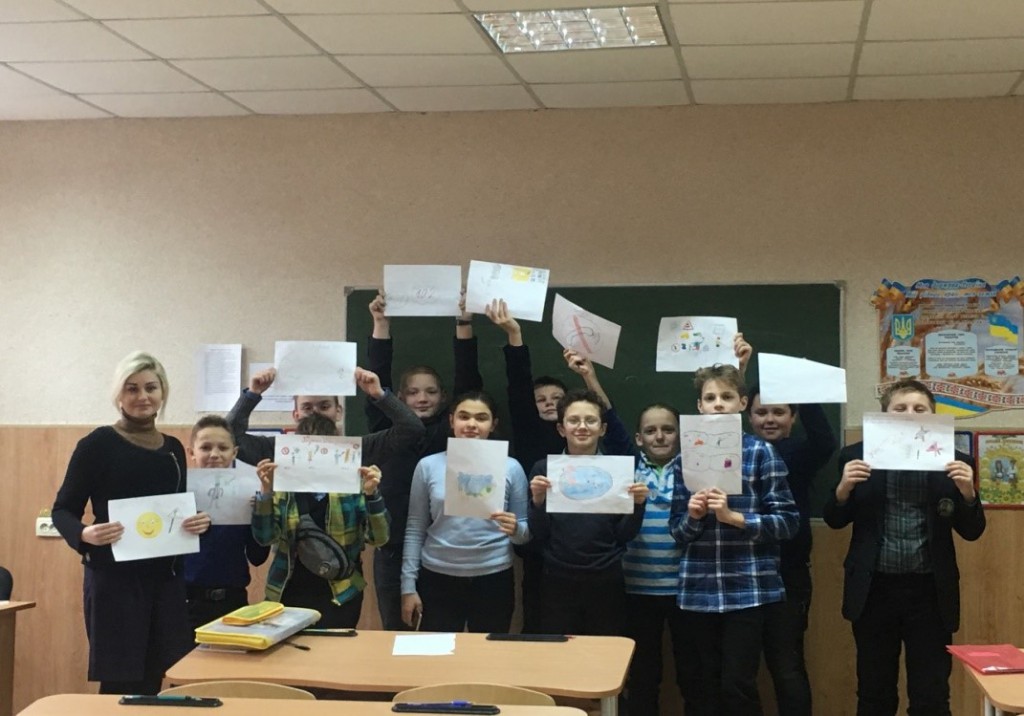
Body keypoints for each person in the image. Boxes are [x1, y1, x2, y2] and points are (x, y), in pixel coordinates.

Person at [52, 351, 211, 695]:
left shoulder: (173, 448)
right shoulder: (97, 444)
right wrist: (84, 533)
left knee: (162, 676)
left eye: (151, 387)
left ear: (162, 392)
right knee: (120, 683)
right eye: (132, 388)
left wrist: (196, 523)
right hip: (115, 582)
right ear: (119, 395)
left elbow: (176, 511)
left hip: (166, 582)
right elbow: (62, 510)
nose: (143, 396)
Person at [823, 379, 985, 716]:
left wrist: (968, 494)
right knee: (874, 692)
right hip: (874, 591)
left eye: (919, 409)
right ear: (885, 415)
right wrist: (842, 491)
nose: (910, 414)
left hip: (929, 593)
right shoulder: (856, 458)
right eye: (900, 408)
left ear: (932, 416)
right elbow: (835, 521)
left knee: (931, 695)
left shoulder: (955, 462)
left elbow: (972, 531)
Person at [226, 363, 424, 630]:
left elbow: (412, 429)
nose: (316, 413)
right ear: (296, 413)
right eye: (308, 407)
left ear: (338, 411)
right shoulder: (278, 452)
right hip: (288, 587)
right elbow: (229, 436)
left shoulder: (357, 452)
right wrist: (252, 394)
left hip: (341, 590)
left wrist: (378, 394)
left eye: (324, 406)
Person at [669, 363, 798, 716]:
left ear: (742, 403)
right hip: (698, 590)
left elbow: (788, 522)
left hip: (748, 589)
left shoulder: (760, 453)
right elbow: (677, 532)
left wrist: (735, 519)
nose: (718, 404)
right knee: (703, 686)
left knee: (737, 685)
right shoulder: (685, 459)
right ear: (700, 406)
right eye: (710, 398)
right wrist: (694, 517)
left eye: (726, 397)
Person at [367, 290, 484, 629]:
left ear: (443, 398)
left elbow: (468, 382)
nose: (422, 398)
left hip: (441, 548)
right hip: (392, 546)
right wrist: (380, 325)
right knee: (396, 632)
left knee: (437, 633)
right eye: (413, 392)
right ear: (399, 397)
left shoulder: (452, 432)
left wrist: (463, 324)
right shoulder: (385, 428)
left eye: (431, 392)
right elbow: (376, 383)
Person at [745, 359, 838, 715]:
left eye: (779, 412)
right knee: (739, 670)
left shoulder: (799, 453)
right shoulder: (732, 453)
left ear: (793, 417)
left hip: (788, 574)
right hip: (740, 572)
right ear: (748, 416)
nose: (769, 419)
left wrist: (802, 387)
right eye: (761, 412)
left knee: (787, 667)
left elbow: (825, 441)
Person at [401, 391, 530, 633]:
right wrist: (408, 587)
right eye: (464, 416)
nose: (471, 424)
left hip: (494, 576)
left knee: (487, 652)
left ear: (493, 424)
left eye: (481, 418)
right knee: (438, 653)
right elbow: (415, 528)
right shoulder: (428, 466)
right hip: (437, 576)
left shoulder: (511, 468)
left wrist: (515, 530)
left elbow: (524, 533)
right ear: (452, 421)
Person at [528, 385, 648, 637]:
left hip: (607, 576)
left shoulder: (619, 473)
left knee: (605, 649)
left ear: (602, 429)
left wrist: (638, 505)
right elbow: (539, 533)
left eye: (590, 420)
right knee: (559, 648)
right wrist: (538, 501)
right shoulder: (544, 470)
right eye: (573, 420)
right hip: (557, 577)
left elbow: (625, 535)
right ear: (561, 429)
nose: (582, 427)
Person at [253, 412, 388, 628]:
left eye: (324, 452)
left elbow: (379, 538)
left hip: (341, 590)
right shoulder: (284, 488)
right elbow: (265, 538)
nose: (314, 459)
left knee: (336, 647)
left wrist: (372, 494)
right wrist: (266, 492)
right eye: (306, 451)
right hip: (289, 588)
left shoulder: (351, 487)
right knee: (290, 649)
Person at [485, 298, 569, 634]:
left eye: (557, 400)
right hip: (534, 534)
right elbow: (519, 385)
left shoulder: (580, 436)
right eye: (541, 400)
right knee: (535, 608)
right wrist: (514, 336)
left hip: (573, 535)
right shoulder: (527, 427)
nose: (549, 404)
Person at [183, 415, 270, 630]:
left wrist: (261, 511)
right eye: (205, 448)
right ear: (192, 452)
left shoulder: (249, 494)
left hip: (233, 603)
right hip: (186, 603)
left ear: (235, 452)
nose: (214, 454)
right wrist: (181, 527)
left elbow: (258, 557)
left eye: (223, 448)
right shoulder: (177, 494)